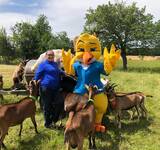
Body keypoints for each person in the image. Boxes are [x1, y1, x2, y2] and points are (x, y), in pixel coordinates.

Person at [62, 33, 120, 132]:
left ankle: (97, 123)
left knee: (100, 106)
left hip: (96, 90)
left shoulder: (98, 65)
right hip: (80, 91)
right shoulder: (77, 65)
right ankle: (77, 121)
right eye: (81, 50)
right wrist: (67, 63)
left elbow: (106, 72)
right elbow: (70, 72)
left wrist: (110, 62)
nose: (87, 55)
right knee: (77, 107)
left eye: (92, 50)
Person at [34, 50, 65, 128]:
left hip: (55, 88)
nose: (51, 56)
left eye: (52, 55)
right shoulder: (43, 65)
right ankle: (47, 123)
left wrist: (63, 73)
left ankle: (53, 120)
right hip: (46, 88)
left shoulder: (55, 64)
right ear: (46, 56)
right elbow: (38, 74)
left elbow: (58, 71)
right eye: (49, 55)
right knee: (47, 106)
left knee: (58, 103)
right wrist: (35, 80)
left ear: (54, 56)